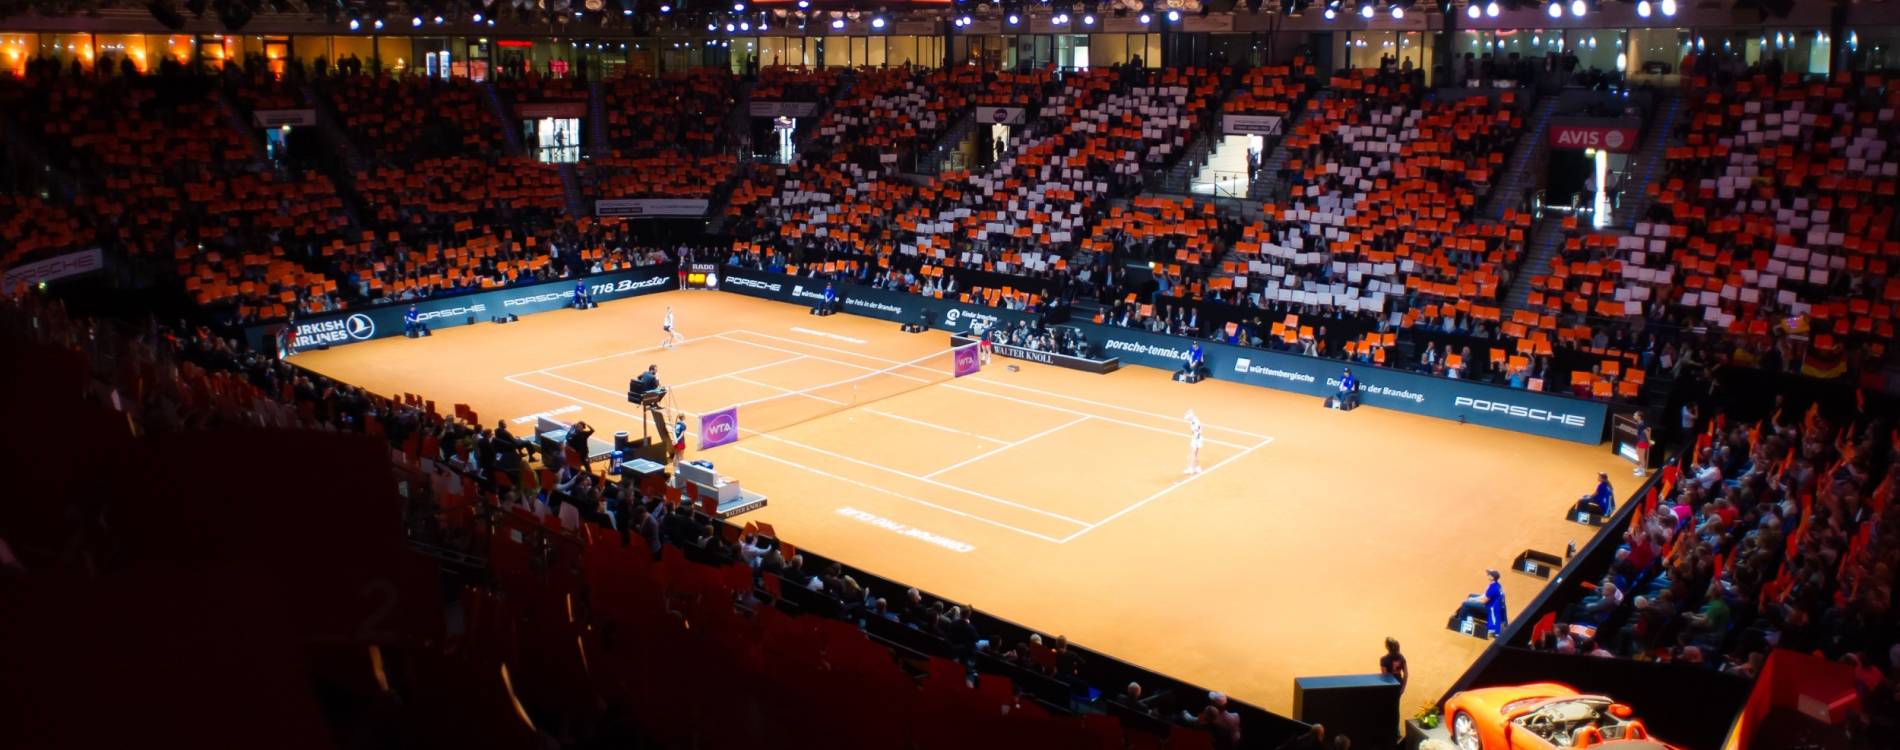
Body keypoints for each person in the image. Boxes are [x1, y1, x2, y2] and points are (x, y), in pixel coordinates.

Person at [1483, 569, 1507, 637]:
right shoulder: (1497, 584)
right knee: (1471, 596)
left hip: (1490, 606)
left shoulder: (1493, 588)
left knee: (1467, 604)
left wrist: (1473, 600)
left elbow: (1483, 601)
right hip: (1495, 603)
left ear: (1492, 578)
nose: (1488, 575)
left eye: (1489, 575)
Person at [1632, 411, 1651, 477]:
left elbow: (1647, 432)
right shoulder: (1639, 423)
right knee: (1638, 453)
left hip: (1643, 441)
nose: (1633, 416)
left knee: (1642, 457)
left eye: (1635, 415)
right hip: (1640, 440)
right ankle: (1640, 468)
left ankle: (1642, 472)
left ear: (1639, 417)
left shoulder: (1642, 424)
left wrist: (1649, 441)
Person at [1184, 410, 1203, 475]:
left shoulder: (1194, 422)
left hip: (1196, 439)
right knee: (1195, 454)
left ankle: (1191, 469)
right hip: (1198, 438)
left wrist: (1194, 440)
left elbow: (1196, 432)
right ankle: (1197, 468)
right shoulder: (1195, 419)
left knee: (1192, 454)